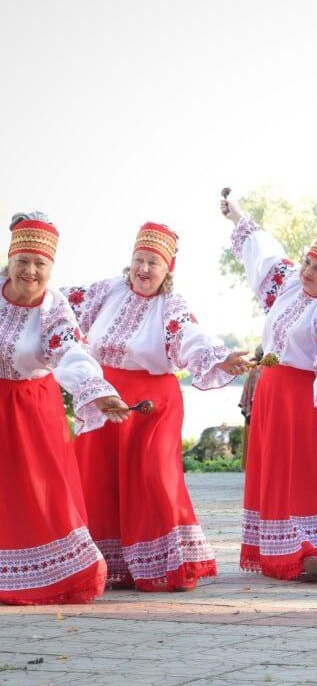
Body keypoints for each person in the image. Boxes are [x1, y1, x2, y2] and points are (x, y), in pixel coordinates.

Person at [64, 222, 248, 592]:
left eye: (153, 262)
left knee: (153, 476)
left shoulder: (171, 304)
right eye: (139, 260)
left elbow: (189, 337)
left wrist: (221, 358)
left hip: (153, 403)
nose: (144, 269)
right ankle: (110, 565)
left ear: (168, 270)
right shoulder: (106, 290)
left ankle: (168, 564)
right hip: (105, 395)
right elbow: (56, 309)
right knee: (99, 477)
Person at [222, 197, 317, 582]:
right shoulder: (287, 285)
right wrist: (237, 216)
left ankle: (312, 549)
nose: (309, 272)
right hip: (273, 393)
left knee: (304, 472)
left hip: (307, 398)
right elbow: (263, 254)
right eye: (308, 262)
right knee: (278, 472)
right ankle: (281, 549)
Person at [0, 213, 128, 605]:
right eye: (24, 260)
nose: (31, 271)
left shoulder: (54, 310)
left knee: (39, 495)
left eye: (41, 264)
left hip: (30, 411)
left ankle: (54, 575)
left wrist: (96, 390)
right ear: (11, 258)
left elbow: (71, 352)